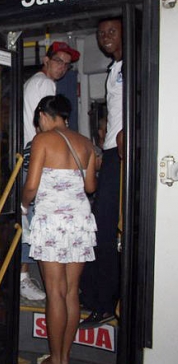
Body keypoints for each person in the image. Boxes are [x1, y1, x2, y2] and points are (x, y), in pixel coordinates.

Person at [21, 95, 97, 364]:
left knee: (54, 292)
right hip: (79, 223)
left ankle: (56, 358)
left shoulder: (42, 140)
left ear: (42, 114)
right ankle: (64, 356)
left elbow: (31, 186)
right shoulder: (86, 143)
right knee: (70, 292)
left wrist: (23, 204)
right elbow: (90, 188)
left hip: (52, 222)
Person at [21, 41, 81, 301]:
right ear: (46, 60)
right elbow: (43, 125)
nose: (62, 67)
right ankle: (43, 284)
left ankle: (27, 278)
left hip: (31, 155)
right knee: (37, 224)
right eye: (58, 61)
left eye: (67, 64)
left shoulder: (32, 82)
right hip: (38, 158)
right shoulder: (45, 84)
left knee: (30, 224)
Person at [79, 18, 123, 328]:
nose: (105, 36)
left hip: (120, 155)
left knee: (106, 234)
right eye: (101, 32)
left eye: (111, 31)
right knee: (102, 232)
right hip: (109, 153)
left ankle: (104, 303)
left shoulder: (133, 63)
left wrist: (126, 134)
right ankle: (99, 298)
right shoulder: (115, 69)